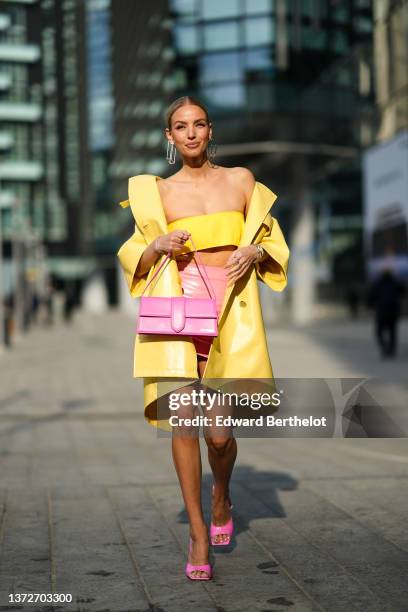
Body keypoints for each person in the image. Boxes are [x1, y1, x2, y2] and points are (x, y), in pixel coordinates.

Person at [117, 96, 290, 581]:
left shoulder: (242, 181)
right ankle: (197, 532)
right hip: (179, 312)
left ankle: (221, 495)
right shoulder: (157, 193)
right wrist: (156, 244)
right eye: (179, 126)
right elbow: (135, 254)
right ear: (169, 138)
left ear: (210, 130)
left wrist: (255, 249)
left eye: (198, 124)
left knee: (220, 435)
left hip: (230, 310)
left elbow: (271, 238)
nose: (190, 133)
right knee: (183, 425)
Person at [367, 267, 406, 358]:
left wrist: (369, 307)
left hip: (382, 311)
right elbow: (403, 292)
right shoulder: (395, 282)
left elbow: (371, 296)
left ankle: (385, 347)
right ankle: (391, 349)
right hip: (393, 311)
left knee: (379, 332)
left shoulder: (378, 283)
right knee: (392, 331)